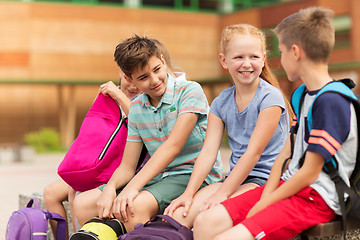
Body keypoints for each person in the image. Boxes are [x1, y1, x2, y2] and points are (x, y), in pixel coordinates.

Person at [193, 7, 358, 240]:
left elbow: (310, 173)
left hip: (316, 198)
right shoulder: (301, 94)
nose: (278, 59)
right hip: (286, 185)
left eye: (280, 51)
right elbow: (285, 153)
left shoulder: (332, 101)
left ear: (295, 52)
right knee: (205, 223)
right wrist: (266, 195)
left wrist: (265, 203)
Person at [73, 35, 223, 236]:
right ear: (129, 79)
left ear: (162, 61)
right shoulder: (136, 107)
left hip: (192, 174)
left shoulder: (189, 91)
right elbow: (128, 166)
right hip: (159, 177)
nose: (154, 80)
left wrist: (131, 189)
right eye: (143, 77)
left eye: (157, 70)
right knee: (83, 204)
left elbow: (173, 147)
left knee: (134, 207)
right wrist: (110, 188)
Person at [164, 23, 290, 229]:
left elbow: (253, 154)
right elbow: (208, 152)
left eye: (254, 57)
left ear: (264, 59)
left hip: (267, 180)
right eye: (239, 57)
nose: (247, 64)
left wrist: (222, 194)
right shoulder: (220, 102)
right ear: (224, 60)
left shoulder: (270, 98)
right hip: (235, 178)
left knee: (208, 216)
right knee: (179, 215)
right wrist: (188, 193)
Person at [43, 70, 142, 238]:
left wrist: (119, 95)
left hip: (122, 168)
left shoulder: (141, 101)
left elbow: (141, 122)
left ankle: (82, 235)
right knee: (51, 193)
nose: (132, 84)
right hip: (102, 164)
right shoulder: (109, 96)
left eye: (136, 79)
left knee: (74, 191)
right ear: (120, 73)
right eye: (127, 77)